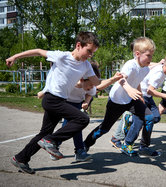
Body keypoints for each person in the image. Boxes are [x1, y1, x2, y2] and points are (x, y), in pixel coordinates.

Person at [6, 31, 121, 174]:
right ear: (79, 45)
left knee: (44, 134)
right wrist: (15, 57)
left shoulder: (86, 66)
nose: (90, 55)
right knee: (82, 119)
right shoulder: (62, 56)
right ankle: (51, 140)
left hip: (60, 101)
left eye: (93, 53)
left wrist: (114, 79)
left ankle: (21, 158)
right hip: (51, 99)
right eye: (89, 51)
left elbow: (97, 83)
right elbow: (38, 51)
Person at [83, 37, 158, 157]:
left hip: (131, 99)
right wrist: (129, 89)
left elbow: (136, 81)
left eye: (152, 56)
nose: (151, 58)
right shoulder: (130, 64)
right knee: (105, 128)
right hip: (117, 100)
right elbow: (121, 79)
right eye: (148, 55)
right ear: (137, 54)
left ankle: (140, 146)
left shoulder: (145, 69)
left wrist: (140, 95)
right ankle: (85, 145)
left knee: (149, 117)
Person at [110, 53, 166, 156]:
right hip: (141, 96)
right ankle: (133, 144)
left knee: (156, 117)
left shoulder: (163, 70)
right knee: (142, 120)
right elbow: (150, 90)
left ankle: (130, 120)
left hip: (147, 97)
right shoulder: (160, 73)